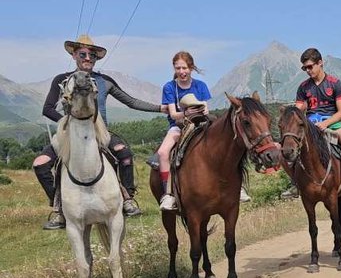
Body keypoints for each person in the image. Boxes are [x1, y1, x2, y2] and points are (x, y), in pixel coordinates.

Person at [32, 34, 167, 230]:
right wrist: (67, 121)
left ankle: (127, 199)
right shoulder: (62, 80)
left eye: (92, 55)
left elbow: (131, 102)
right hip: (69, 133)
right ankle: (59, 209)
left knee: (125, 153)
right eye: (83, 54)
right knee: (40, 164)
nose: (88, 58)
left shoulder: (105, 81)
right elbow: (48, 109)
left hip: (99, 130)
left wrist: (162, 108)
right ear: (74, 55)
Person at [288, 47, 341, 194]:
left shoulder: (335, 83)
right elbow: (298, 110)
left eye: (310, 66)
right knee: (286, 147)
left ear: (320, 63)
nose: (308, 70)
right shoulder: (303, 87)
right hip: (309, 124)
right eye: (304, 68)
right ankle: (295, 182)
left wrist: (326, 124)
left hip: (332, 122)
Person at [158, 51, 211, 211]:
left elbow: (206, 107)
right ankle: (168, 193)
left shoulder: (200, 86)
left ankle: (238, 187)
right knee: (162, 153)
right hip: (179, 126)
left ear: (191, 68)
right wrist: (187, 113)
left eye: (185, 68)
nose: (181, 72)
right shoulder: (169, 87)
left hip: (201, 124)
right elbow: (173, 114)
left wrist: (202, 111)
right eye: (178, 68)